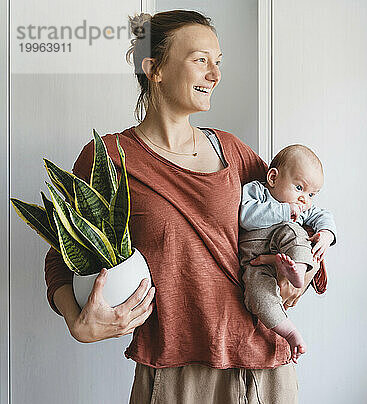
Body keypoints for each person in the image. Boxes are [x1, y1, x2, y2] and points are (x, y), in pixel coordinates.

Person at [44, 10, 317, 403]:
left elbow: (298, 214)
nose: (215, 75)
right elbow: (60, 256)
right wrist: (77, 322)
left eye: (217, 62)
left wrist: (303, 271)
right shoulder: (108, 157)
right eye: (200, 60)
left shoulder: (233, 150)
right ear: (154, 69)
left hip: (267, 366)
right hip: (173, 375)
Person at [238, 145, 337, 363]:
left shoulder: (303, 209)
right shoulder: (258, 191)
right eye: (299, 188)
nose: (305, 200)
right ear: (273, 178)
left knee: (295, 233)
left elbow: (324, 215)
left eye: (312, 194)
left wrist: (327, 234)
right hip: (256, 262)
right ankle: (289, 332)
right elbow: (245, 216)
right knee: (256, 295)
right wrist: (284, 211)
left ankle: (297, 271)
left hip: (286, 258)